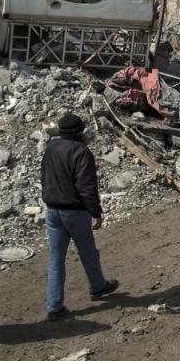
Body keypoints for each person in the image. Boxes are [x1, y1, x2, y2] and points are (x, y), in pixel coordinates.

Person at [42, 113, 118, 321]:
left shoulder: (51, 147)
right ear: (78, 132)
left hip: (52, 210)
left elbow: (45, 176)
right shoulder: (81, 152)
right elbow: (86, 187)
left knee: (56, 259)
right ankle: (97, 286)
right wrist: (96, 212)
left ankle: (54, 306)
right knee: (87, 251)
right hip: (74, 211)